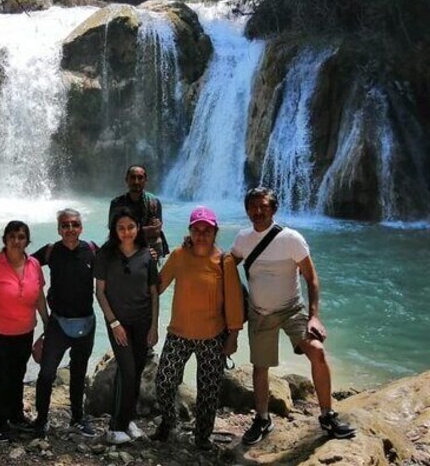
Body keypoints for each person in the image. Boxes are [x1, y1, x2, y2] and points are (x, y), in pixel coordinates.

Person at [231, 187, 356, 444]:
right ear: (246, 210)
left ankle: (327, 415)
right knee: (260, 367)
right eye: (252, 206)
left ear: (274, 209)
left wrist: (314, 316)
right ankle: (263, 419)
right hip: (260, 313)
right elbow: (223, 266)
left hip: (292, 310)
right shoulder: (243, 239)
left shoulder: (291, 239)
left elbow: (311, 278)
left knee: (317, 351)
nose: (257, 211)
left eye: (263, 206)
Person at [152, 206, 244, 449]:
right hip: (179, 334)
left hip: (212, 337)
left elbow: (234, 301)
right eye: (197, 230)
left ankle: (202, 436)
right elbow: (157, 286)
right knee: (164, 382)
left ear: (215, 232)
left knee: (209, 391)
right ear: (190, 232)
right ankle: (168, 422)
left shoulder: (224, 261)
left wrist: (233, 335)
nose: (201, 235)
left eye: (207, 230)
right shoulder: (179, 255)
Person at [0, 221, 48, 442]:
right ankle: (0, 422)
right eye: (12, 237)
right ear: (5, 239)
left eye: (21, 237)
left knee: (18, 374)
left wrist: (47, 321)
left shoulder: (34, 264)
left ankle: (16, 414)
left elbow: (39, 296)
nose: (17, 241)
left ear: (27, 241)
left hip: (25, 331)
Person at [31, 208, 98, 439]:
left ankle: (77, 418)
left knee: (79, 373)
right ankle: (41, 419)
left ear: (81, 227)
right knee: (47, 373)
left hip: (86, 322)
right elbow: (23, 261)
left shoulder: (91, 250)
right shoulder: (51, 251)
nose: (70, 229)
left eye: (75, 224)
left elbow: (117, 264)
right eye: (66, 225)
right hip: (58, 323)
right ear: (59, 229)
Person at [94, 207, 159, 445]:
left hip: (142, 322)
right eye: (121, 228)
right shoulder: (105, 254)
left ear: (138, 228)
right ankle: (114, 427)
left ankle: (128, 420)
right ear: (114, 230)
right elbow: (99, 292)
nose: (126, 232)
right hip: (118, 324)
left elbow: (154, 293)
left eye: (130, 227)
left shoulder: (147, 255)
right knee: (127, 370)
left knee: (137, 370)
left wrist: (154, 326)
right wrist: (113, 322)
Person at [108, 165, 169, 257]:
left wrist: (127, 229)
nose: (136, 181)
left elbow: (156, 230)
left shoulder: (154, 202)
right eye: (133, 177)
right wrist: (147, 229)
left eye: (140, 178)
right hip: (124, 247)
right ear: (126, 180)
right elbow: (113, 230)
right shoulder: (117, 203)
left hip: (149, 249)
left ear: (145, 180)